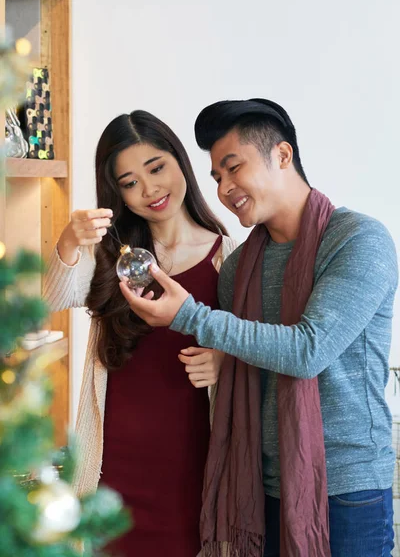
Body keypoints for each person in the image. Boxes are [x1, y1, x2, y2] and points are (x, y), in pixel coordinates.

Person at [119, 99, 398, 557]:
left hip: (348, 490)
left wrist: (190, 316)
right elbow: (252, 352)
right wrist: (220, 357)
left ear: (282, 156)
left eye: (233, 168)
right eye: (217, 178)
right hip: (263, 487)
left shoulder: (359, 239)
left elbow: (308, 350)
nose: (225, 188)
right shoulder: (239, 268)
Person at [43, 109, 237, 557]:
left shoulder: (229, 257)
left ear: (180, 162)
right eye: (129, 182)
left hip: (193, 468)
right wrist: (71, 239)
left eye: (156, 168)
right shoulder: (114, 254)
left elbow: (253, 347)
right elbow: (55, 297)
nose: (149, 190)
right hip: (113, 468)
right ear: (118, 194)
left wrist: (224, 359)